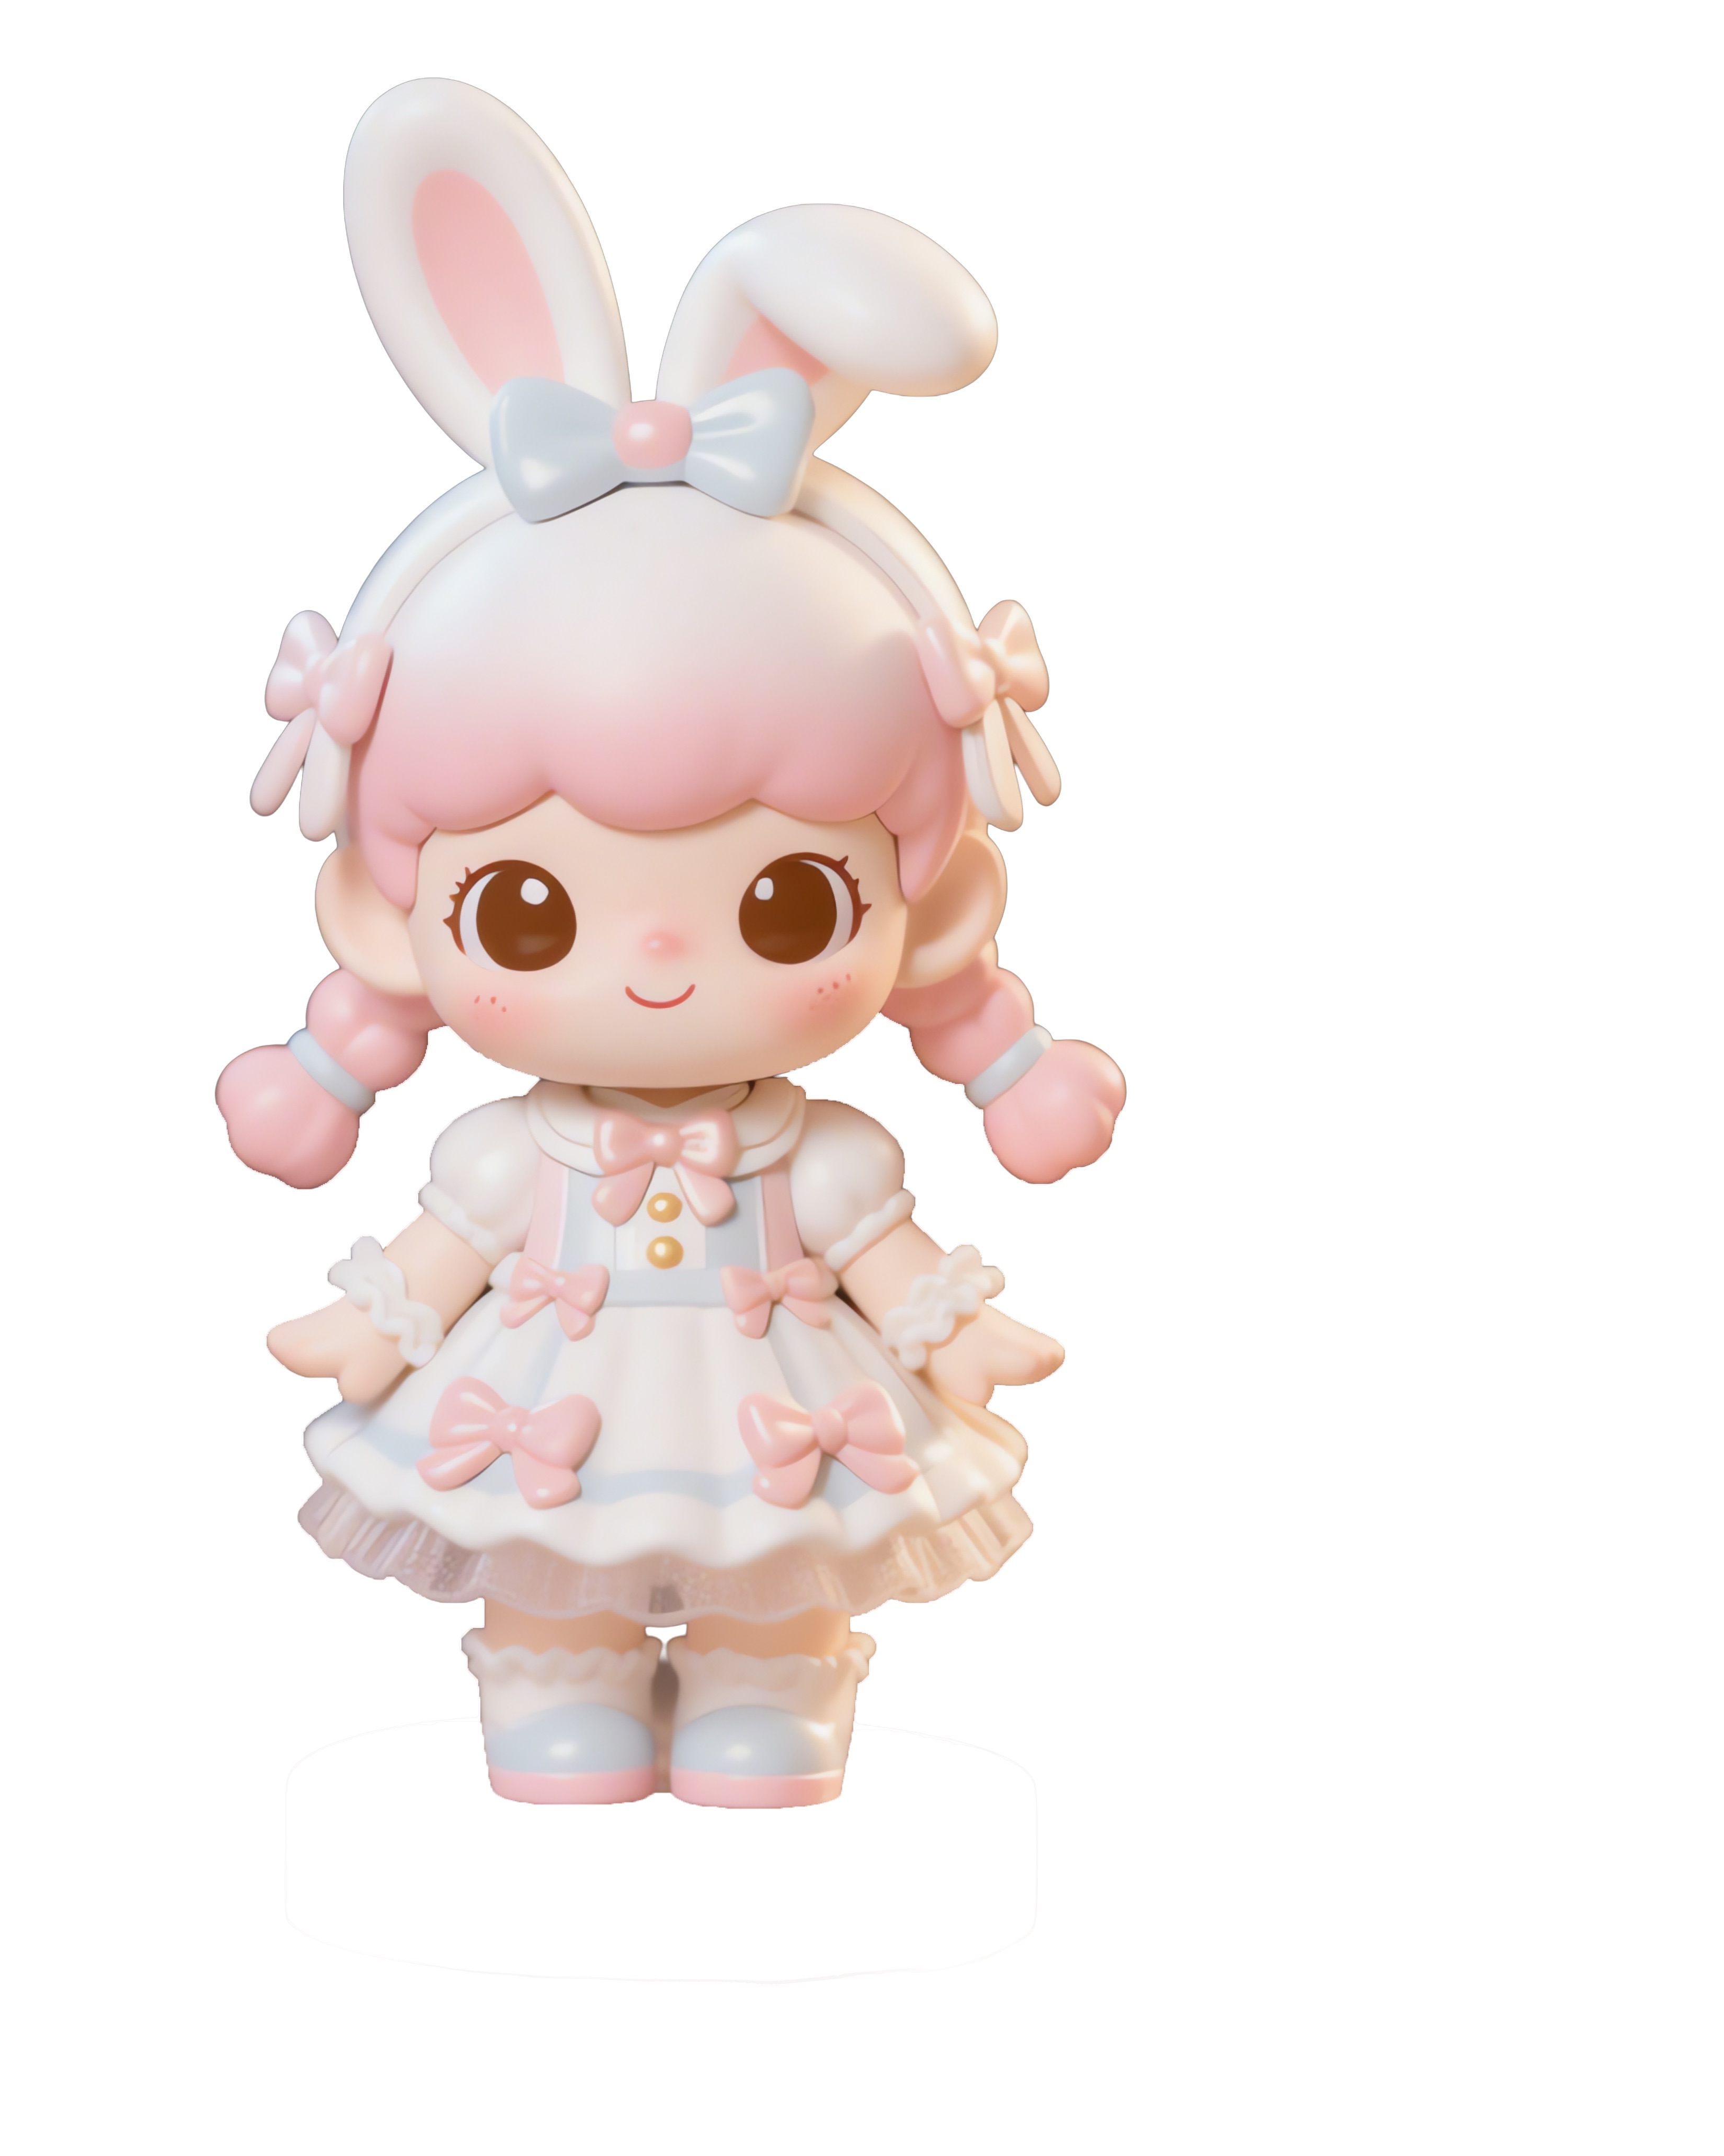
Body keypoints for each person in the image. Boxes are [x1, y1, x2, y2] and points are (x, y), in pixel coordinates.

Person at [218, 78, 1125, 1807]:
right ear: (399, 912)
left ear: (917, 896)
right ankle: (553, 1678)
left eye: (785, 905)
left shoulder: (825, 1160)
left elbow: (886, 1256)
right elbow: (439, 1252)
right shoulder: (509, 1158)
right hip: (542, 1398)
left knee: (783, 1565)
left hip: (776, 1397)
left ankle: (770, 1689)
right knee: (544, 1552)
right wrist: (374, 1325)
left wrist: (955, 1332)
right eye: (531, 911)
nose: (652, 967)